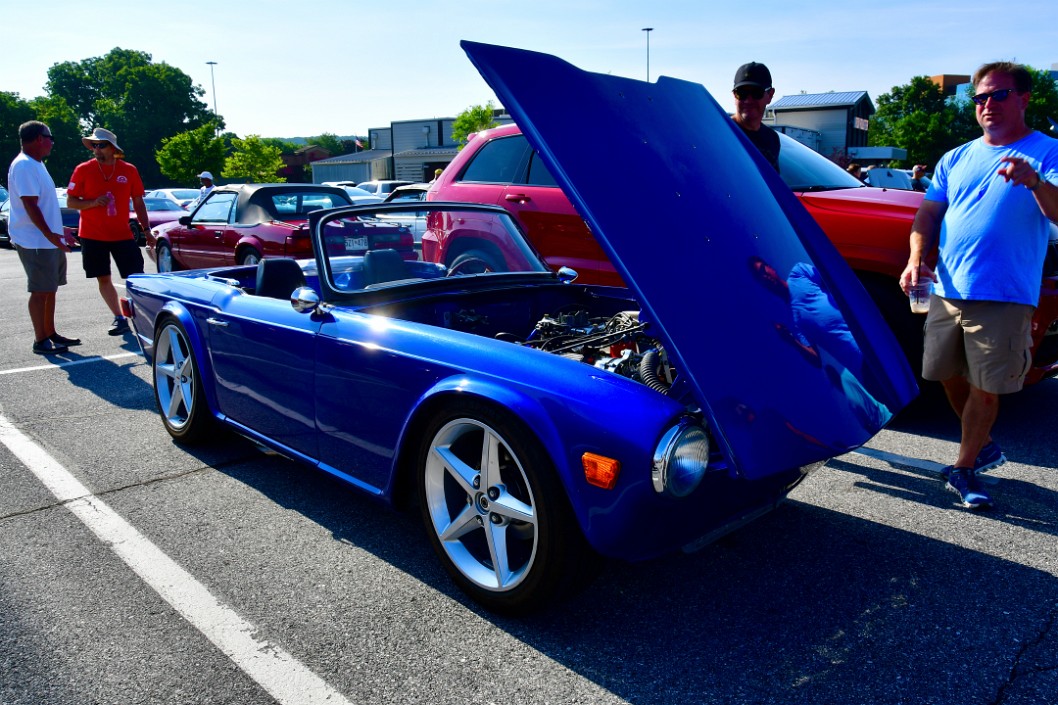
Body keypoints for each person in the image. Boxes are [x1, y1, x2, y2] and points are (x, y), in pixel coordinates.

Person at [900, 61, 1058, 509]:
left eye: (999, 95)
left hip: (1005, 294)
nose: (987, 105)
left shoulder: (1047, 152)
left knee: (987, 386)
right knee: (945, 374)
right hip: (949, 289)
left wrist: (1034, 181)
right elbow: (928, 213)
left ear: (1024, 99)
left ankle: (965, 469)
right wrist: (916, 259)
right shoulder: (956, 156)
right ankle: (983, 446)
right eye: (980, 98)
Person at [65, 127, 149, 336]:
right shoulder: (83, 169)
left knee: (136, 277)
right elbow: (71, 201)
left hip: (122, 235)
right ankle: (119, 318)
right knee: (103, 277)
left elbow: (138, 202)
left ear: (113, 148)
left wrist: (147, 230)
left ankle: (143, 317)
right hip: (92, 235)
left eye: (101, 145)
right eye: (94, 145)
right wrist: (93, 203)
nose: (96, 149)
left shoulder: (129, 170)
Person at [7, 121, 79, 354]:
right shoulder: (25, 166)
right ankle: (40, 340)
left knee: (50, 288)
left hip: (46, 239)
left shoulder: (36, 164)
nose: (51, 142)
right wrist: (51, 236)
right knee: (39, 291)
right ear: (39, 138)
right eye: (50, 137)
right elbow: (30, 205)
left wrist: (60, 231)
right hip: (35, 240)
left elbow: (45, 206)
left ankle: (50, 332)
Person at [731, 61, 780, 172]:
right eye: (741, 93)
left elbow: (772, 185)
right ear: (734, 95)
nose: (748, 100)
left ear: (770, 95)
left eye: (756, 93)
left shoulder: (772, 139)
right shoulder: (722, 133)